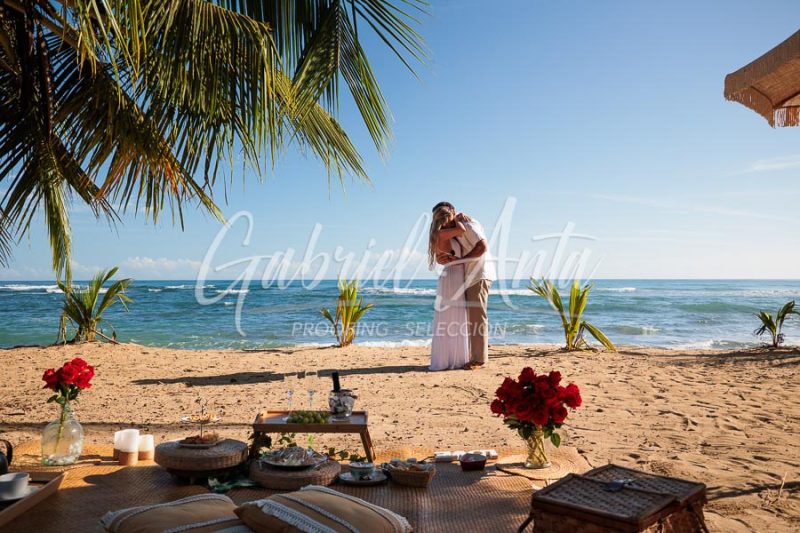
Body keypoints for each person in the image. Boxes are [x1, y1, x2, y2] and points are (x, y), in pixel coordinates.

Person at [433, 201, 495, 370]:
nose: (444, 222)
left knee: (477, 315)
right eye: (441, 219)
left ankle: (479, 359)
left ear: (453, 212)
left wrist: (461, 260)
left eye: (446, 217)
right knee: (468, 316)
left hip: (479, 273)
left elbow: (482, 247)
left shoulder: (468, 224)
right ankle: (472, 353)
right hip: (467, 275)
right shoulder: (453, 228)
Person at [428, 204, 470, 371]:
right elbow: (462, 230)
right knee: (454, 317)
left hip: (452, 275)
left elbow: (440, 258)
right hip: (453, 276)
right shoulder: (443, 232)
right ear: (447, 217)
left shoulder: (437, 234)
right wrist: (459, 215)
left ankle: (450, 357)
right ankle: (454, 359)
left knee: (451, 318)